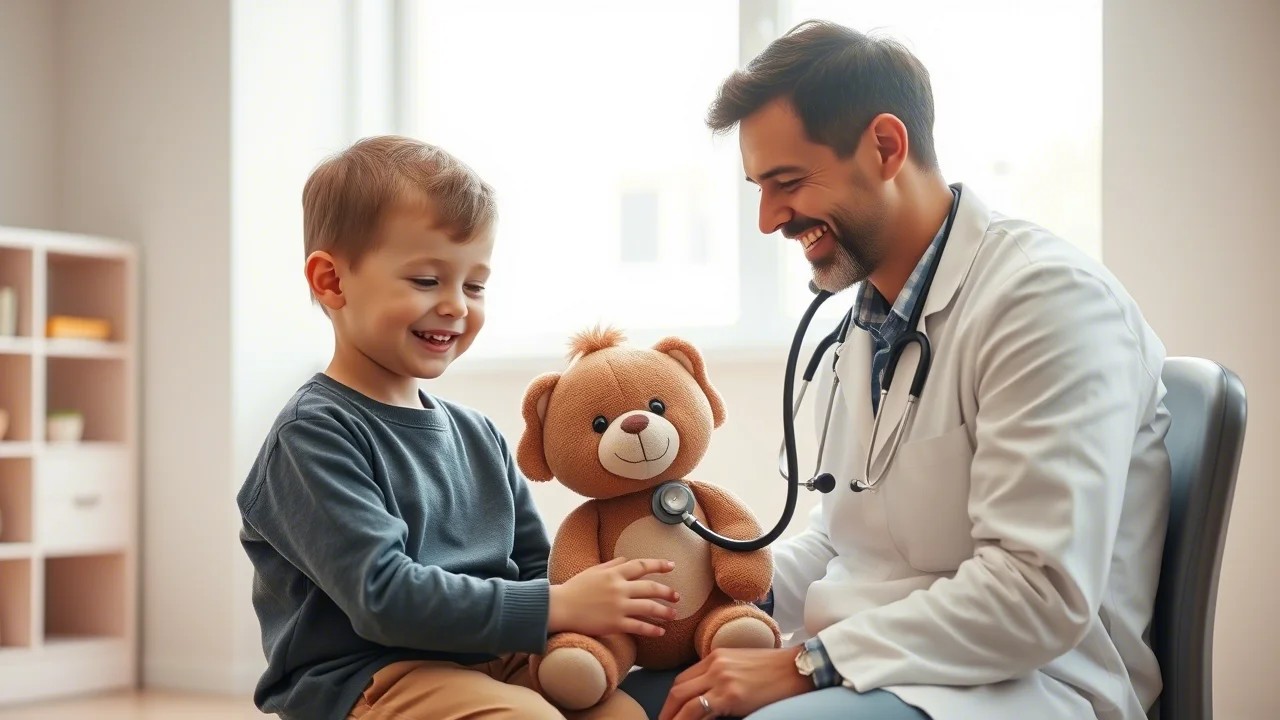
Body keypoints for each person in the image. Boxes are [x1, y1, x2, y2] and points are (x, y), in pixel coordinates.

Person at [620, 19, 1172, 720]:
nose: (767, 220)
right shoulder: (870, 318)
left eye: (786, 182)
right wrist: (709, 600)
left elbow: (1036, 593)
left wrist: (805, 663)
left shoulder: (1047, 304)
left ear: (886, 146)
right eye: (759, 188)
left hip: (1024, 685)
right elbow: (845, 539)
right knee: (623, 699)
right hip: (877, 662)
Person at [235, 136, 676, 720]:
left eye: (474, 285)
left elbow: (535, 567)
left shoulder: (479, 436)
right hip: (372, 678)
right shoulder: (313, 435)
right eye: (425, 281)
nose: (456, 307)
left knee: (621, 713)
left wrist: (603, 603)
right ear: (332, 282)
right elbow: (385, 598)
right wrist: (559, 604)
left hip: (489, 659)